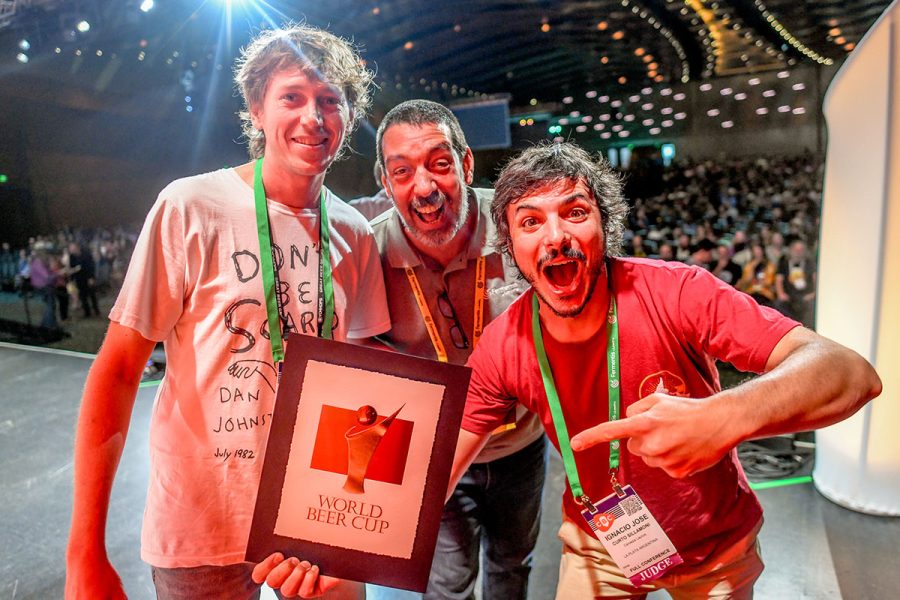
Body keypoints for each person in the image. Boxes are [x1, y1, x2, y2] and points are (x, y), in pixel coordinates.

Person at [451, 143, 881, 599]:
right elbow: (438, 464)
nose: (555, 236)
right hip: (602, 543)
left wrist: (721, 417)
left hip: (714, 546)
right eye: (530, 221)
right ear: (511, 246)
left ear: (605, 225)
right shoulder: (504, 345)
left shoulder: (677, 292)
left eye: (575, 212)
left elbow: (851, 374)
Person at [65, 24, 390, 600]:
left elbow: (358, 384)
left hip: (315, 522)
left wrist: (359, 525)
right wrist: (84, 551)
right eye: (292, 96)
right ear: (256, 109)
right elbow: (116, 372)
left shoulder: (353, 232)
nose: (313, 117)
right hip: (201, 524)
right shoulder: (191, 206)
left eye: (330, 101)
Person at [367, 99, 546, 600]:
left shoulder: (521, 228)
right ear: (386, 181)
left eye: (439, 164)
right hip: (435, 452)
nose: (423, 187)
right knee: (447, 583)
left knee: (513, 567)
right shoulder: (369, 254)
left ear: (466, 164)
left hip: (521, 445)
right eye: (402, 172)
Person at [775, 239, 816, 327]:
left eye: (801, 250)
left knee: (812, 305)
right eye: (796, 250)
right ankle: (788, 328)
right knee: (779, 304)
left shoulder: (809, 263)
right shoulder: (784, 263)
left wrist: (813, 294)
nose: (798, 252)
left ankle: (806, 329)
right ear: (791, 250)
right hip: (789, 295)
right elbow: (779, 280)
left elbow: (815, 279)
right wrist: (781, 294)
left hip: (805, 295)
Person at [68, 241, 101, 317]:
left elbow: (91, 267)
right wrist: (73, 277)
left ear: (77, 247)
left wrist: (91, 277)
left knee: (92, 295)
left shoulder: (86, 254)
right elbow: (71, 267)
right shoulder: (72, 257)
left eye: (72, 248)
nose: (71, 250)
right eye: (70, 248)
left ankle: (96, 311)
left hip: (88, 277)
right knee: (83, 296)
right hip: (79, 278)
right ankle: (87, 312)